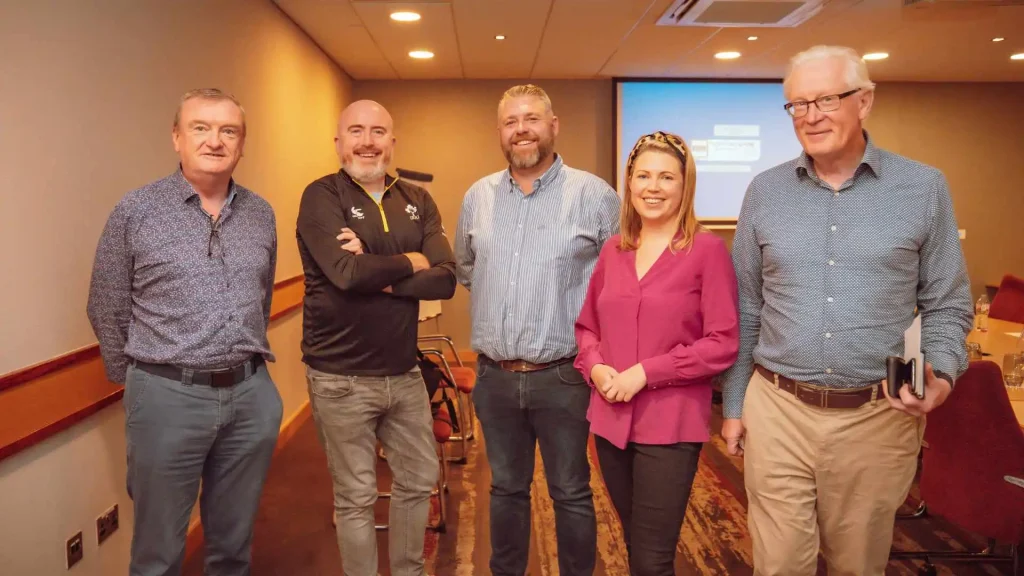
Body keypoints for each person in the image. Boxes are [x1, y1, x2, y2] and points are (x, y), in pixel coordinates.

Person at [720, 45, 974, 576]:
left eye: (826, 99)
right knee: (779, 564)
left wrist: (943, 373)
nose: (811, 116)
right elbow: (746, 306)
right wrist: (736, 403)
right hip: (779, 409)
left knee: (857, 564)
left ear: (865, 102)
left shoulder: (922, 188)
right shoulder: (764, 191)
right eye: (797, 105)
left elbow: (947, 303)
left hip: (877, 417)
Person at [87, 88, 283, 576]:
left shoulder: (261, 213)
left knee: (233, 548)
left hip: (251, 396)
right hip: (167, 395)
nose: (215, 140)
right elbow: (106, 303)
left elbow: (262, 298)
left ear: (241, 145)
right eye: (200, 127)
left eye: (228, 131)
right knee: (158, 554)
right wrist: (137, 381)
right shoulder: (137, 210)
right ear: (177, 137)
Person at [454, 84, 620, 576]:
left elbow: (620, 277)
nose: (521, 129)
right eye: (510, 122)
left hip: (564, 375)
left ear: (553, 125)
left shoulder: (594, 195)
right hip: (495, 377)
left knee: (570, 490)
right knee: (505, 488)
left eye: (531, 119)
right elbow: (467, 268)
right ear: (500, 132)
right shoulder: (477, 197)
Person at [296, 99, 456, 576]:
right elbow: (344, 274)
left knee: (419, 477)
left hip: (403, 371)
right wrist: (411, 260)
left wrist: (375, 264)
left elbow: (446, 277)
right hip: (339, 377)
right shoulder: (320, 196)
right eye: (356, 131)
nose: (367, 141)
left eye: (378, 131)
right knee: (356, 495)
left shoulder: (418, 200)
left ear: (392, 141)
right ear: (339, 142)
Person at [574, 131, 739, 575]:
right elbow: (587, 326)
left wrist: (646, 372)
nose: (653, 186)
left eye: (667, 177)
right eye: (643, 175)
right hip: (609, 421)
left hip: (670, 423)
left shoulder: (707, 251)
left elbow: (723, 342)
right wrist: (598, 367)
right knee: (634, 542)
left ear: (685, 187)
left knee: (651, 558)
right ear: (628, 183)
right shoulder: (614, 250)